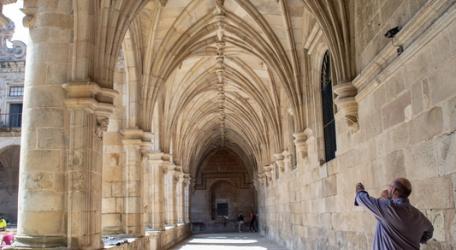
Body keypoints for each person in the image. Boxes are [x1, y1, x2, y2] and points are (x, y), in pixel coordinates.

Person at [355, 178, 434, 250]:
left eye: (390, 186)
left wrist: (360, 189)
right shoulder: (418, 214)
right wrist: (418, 238)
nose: (387, 188)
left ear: (395, 191)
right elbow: (430, 230)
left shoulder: (388, 207)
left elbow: (361, 199)